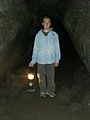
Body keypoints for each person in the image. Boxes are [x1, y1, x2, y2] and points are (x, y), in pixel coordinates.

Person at [29, 16, 61, 98]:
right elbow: (35, 48)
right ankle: (43, 91)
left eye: (48, 22)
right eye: (45, 22)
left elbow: (57, 48)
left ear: (50, 23)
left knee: (51, 77)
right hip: (41, 60)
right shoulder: (38, 35)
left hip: (51, 60)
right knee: (41, 77)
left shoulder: (54, 35)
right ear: (42, 23)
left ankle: (50, 91)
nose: (47, 24)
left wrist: (57, 60)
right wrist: (33, 61)